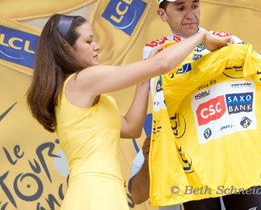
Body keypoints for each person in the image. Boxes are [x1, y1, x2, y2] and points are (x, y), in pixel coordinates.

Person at [26, 14, 232, 210]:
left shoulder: (77, 92)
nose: (96, 46)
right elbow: (162, 64)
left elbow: (132, 128)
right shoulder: (83, 80)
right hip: (96, 194)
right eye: (88, 41)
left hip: (100, 192)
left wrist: (145, 75)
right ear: (66, 48)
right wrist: (201, 36)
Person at [129, 0, 261, 210]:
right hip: (190, 161)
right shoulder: (154, 51)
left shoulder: (227, 41)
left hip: (234, 155)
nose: (190, 14)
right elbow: (168, 86)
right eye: (180, 7)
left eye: (195, 5)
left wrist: (258, 71)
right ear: (162, 14)